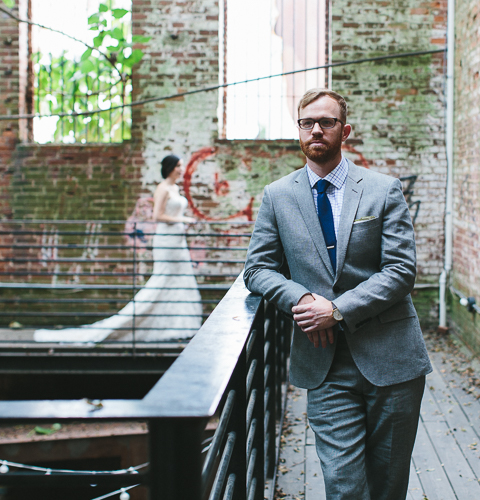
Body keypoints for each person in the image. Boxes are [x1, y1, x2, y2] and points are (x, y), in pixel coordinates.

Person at [243, 89, 432, 500]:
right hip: (324, 366)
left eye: (326, 122)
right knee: (345, 489)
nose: (316, 129)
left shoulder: (383, 190)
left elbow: (401, 271)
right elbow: (257, 270)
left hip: (392, 359)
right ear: (298, 131)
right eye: (307, 122)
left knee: (387, 489)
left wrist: (339, 309)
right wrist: (303, 299)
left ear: (343, 131)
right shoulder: (278, 196)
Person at [34, 155, 203, 343]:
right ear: (170, 167)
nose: (181, 169)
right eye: (178, 166)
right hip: (167, 241)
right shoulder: (162, 188)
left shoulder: (175, 188)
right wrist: (184, 220)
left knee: (179, 279)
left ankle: (179, 324)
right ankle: (140, 324)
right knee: (163, 279)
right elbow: (157, 216)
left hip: (178, 240)